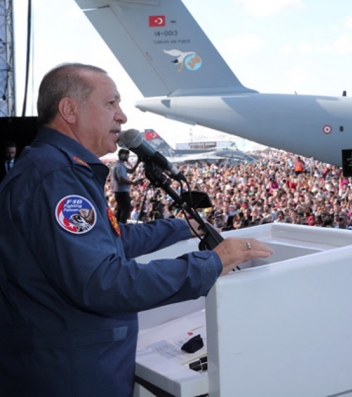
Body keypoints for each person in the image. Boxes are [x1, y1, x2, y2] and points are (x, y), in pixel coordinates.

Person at [0, 63, 275, 395]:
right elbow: (102, 282)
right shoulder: (57, 177)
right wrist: (212, 262)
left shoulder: (54, 168)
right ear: (70, 110)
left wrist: (178, 227)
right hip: (71, 374)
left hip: (70, 364)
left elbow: (105, 242)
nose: (122, 117)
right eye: (111, 103)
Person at [112, 148, 139, 223]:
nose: (128, 158)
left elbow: (131, 171)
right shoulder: (119, 166)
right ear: (123, 156)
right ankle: (122, 226)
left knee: (121, 210)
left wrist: (138, 162)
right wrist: (132, 183)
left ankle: (118, 226)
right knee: (125, 211)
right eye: (127, 156)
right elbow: (121, 179)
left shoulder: (120, 165)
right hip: (122, 192)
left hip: (120, 191)